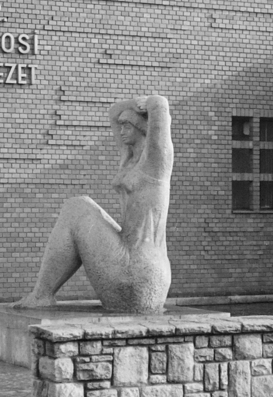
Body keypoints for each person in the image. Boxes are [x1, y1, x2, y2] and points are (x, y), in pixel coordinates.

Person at [15, 93, 174, 314]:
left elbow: (161, 112)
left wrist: (152, 103)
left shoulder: (156, 165)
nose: (121, 131)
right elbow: (113, 112)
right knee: (80, 205)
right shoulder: (129, 159)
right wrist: (133, 106)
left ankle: (41, 295)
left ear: (141, 129)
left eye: (127, 126)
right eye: (121, 127)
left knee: (77, 206)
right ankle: (41, 294)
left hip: (140, 272)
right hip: (132, 261)